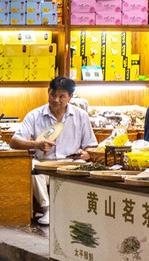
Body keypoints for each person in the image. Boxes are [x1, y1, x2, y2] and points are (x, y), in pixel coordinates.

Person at [9, 76, 98, 226]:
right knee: (31, 167)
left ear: (70, 97)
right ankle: (47, 209)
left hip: (70, 163)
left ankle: (79, 211)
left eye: (62, 96)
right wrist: (36, 144)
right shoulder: (34, 115)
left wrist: (86, 153)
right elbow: (14, 142)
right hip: (44, 165)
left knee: (86, 165)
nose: (56, 99)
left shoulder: (81, 116)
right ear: (48, 92)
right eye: (53, 95)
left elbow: (91, 146)